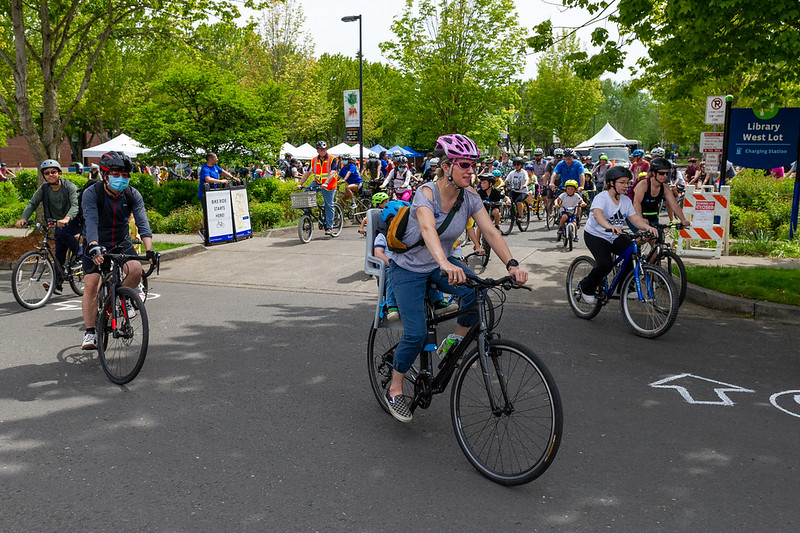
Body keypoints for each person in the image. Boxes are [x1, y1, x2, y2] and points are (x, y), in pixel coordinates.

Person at [383, 133, 527, 423]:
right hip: (408, 268)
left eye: (473, 165)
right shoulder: (425, 194)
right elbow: (427, 230)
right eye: (464, 165)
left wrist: (512, 264)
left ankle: (454, 341)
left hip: (441, 265)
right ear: (446, 166)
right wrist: (444, 263)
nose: (470, 171)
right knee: (415, 333)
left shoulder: (470, 197)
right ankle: (395, 387)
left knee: (479, 294)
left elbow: (490, 231)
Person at [80, 151, 155, 350]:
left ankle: (120, 300)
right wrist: (94, 245)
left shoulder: (132, 194)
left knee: (135, 269)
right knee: (91, 284)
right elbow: (91, 221)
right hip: (94, 240)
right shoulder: (92, 193)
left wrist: (150, 250)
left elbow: (142, 222)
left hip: (120, 240)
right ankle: (90, 332)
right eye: (115, 175)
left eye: (125, 175)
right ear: (104, 175)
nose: (121, 179)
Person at [577, 166, 657, 305]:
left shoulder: (626, 201)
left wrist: (648, 228)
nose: (626, 186)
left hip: (614, 236)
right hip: (596, 235)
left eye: (628, 183)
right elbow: (597, 215)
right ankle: (586, 288)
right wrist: (609, 226)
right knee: (605, 264)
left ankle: (625, 286)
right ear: (612, 183)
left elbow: (635, 219)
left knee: (633, 252)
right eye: (623, 182)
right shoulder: (601, 197)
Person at [16, 159, 81, 295]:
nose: (50, 174)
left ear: (59, 173)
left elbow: (75, 205)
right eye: (47, 173)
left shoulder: (69, 187)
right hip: (58, 223)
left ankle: (80, 255)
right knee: (59, 254)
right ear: (44, 175)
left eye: (53, 172)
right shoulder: (44, 189)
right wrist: (23, 218)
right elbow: (32, 203)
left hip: (74, 220)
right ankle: (57, 285)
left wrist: (67, 218)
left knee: (62, 234)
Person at [299, 141, 339, 236]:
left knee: (328, 205)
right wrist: (300, 184)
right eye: (321, 150)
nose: (322, 151)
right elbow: (307, 173)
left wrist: (326, 183)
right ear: (317, 150)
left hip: (329, 184)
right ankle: (308, 212)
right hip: (317, 181)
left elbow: (333, 171)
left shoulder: (332, 159)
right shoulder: (313, 160)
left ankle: (329, 227)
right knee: (307, 191)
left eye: (324, 149)